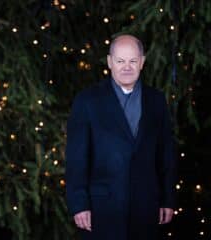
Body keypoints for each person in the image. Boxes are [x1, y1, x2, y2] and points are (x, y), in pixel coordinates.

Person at [65, 34, 177, 240]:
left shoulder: (156, 100)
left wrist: (167, 199)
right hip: (101, 209)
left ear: (142, 62)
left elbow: (165, 155)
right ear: (109, 62)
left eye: (133, 61)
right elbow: (76, 158)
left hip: (146, 206)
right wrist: (79, 204)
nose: (127, 67)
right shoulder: (87, 100)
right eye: (120, 61)